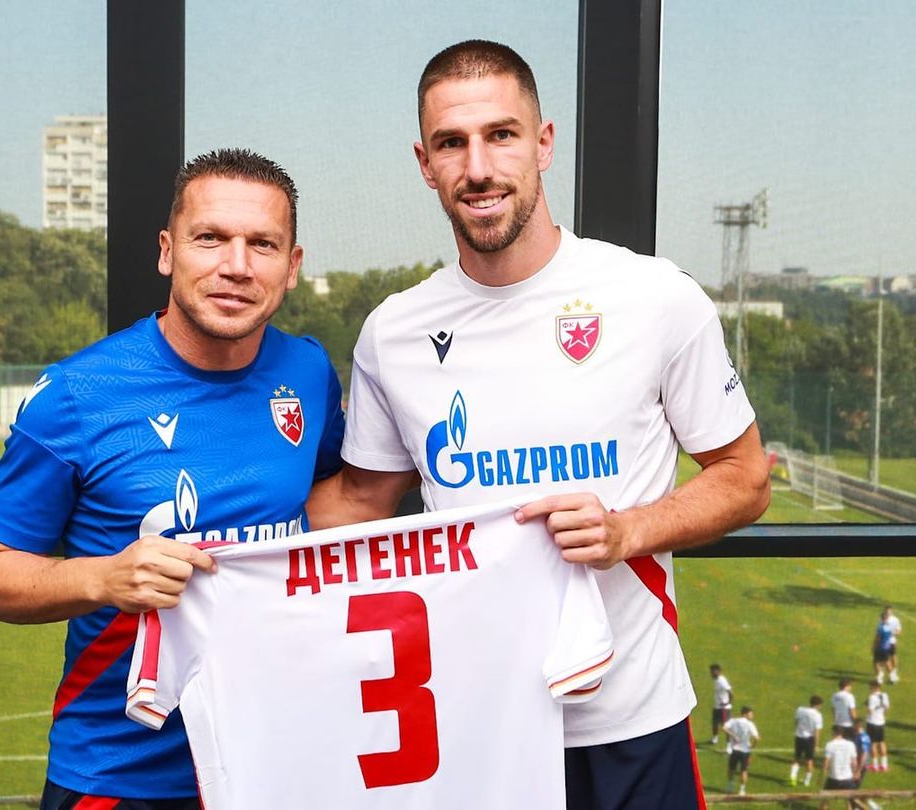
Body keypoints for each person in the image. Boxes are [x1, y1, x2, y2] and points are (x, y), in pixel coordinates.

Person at [306, 39, 771, 809]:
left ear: (544, 142)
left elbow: (745, 478)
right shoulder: (394, 331)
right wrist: (221, 544)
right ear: (425, 164)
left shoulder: (654, 297)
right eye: (452, 144)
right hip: (476, 725)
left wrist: (627, 531)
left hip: (631, 722)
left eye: (501, 134)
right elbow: (360, 502)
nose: (478, 167)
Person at [0, 149, 345, 807]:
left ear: (292, 267)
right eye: (210, 238)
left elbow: (330, 501)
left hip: (272, 760)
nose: (236, 265)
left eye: (263, 244)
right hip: (122, 776)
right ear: (168, 251)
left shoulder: (308, 373)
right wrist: (103, 577)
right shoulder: (78, 394)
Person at [821, 726, 864, 810]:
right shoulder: (850, 744)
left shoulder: (830, 744)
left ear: (833, 733)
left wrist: (821, 776)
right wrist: (855, 773)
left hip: (833, 778)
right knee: (848, 801)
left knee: (825, 800)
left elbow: (826, 764)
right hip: (847, 778)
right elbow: (854, 762)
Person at [723, 706, 759, 796]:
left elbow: (724, 728)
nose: (752, 715)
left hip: (734, 749)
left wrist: (733, 735)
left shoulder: (734, 721)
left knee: (731, 769)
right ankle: (742, 790)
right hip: (745, 751)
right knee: (744, 770)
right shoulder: (750, 724)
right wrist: (752, 747)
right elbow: (756, 738)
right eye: (751, 714)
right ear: (745, 714)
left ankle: (730, 786)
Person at [791, 694, 825, 786]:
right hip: (809, 738)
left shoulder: (800, 709)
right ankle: (807, 781)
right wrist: (816, 745)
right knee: (809, 760)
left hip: (798, 736)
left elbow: (796, 722)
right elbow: (816, 731)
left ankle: (793, 776)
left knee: (797, 758)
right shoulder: (818, 715)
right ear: (818, 705)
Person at [865, 680, 890, 770]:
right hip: (881, 722)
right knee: (882, 742)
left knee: (873, 743)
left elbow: (870, 710)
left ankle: (875, 765)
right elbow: (887, 708)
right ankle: (884, 764)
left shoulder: (872, 697)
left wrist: (868, 712)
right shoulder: (885, 695)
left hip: (872, 722)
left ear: (873, 687)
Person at [711, 663, 734, 745]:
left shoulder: (722, 681)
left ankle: (729, 746)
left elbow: (730, 692)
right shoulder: (716, 680)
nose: (711, 673)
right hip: (717, 706)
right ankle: (715, 739)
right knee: (714, 723)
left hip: (724, 708)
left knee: (726, 726)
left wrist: (728, 703)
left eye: (713, 671)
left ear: (718, 671)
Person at [872, 610, 896, 685]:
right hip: (887, 646)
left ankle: (880, 678)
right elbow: (892, 634)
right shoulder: (890, 627)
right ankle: (892, 677)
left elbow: (878, 638)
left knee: (876, 662)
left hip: (880, 647)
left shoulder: (880, 627)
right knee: (887, 662)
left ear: (882, 618)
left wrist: (874, 646)